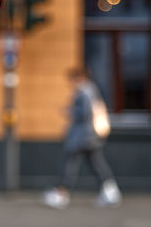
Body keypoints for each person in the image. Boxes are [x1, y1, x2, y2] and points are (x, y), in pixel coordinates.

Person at [43, 68, 122, 209]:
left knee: (71, 163)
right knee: (96, 163)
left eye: (72, 80)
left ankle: (62, 192)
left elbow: (84, 113)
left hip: (82, 136)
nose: (71, 84)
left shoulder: (84, 92)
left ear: (79, 78)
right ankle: (110, 191)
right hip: (89, 136)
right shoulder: (91, 90)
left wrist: (69, 111)